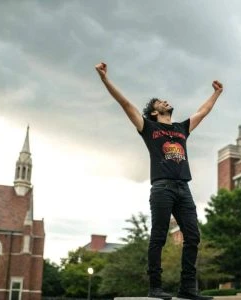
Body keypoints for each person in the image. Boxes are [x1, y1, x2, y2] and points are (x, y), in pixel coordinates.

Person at [95, 61, 223, 300]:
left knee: (193, 236)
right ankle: (155, 286)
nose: (165, 102)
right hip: (162, 188)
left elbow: (203, 111)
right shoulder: (148, 127)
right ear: (154, 112)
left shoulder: (181, 128)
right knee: (159, 235)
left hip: (184, 188)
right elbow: (125, 104)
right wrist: (105, 80)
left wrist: (216, 93)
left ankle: (188, 288)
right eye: (160, 102)